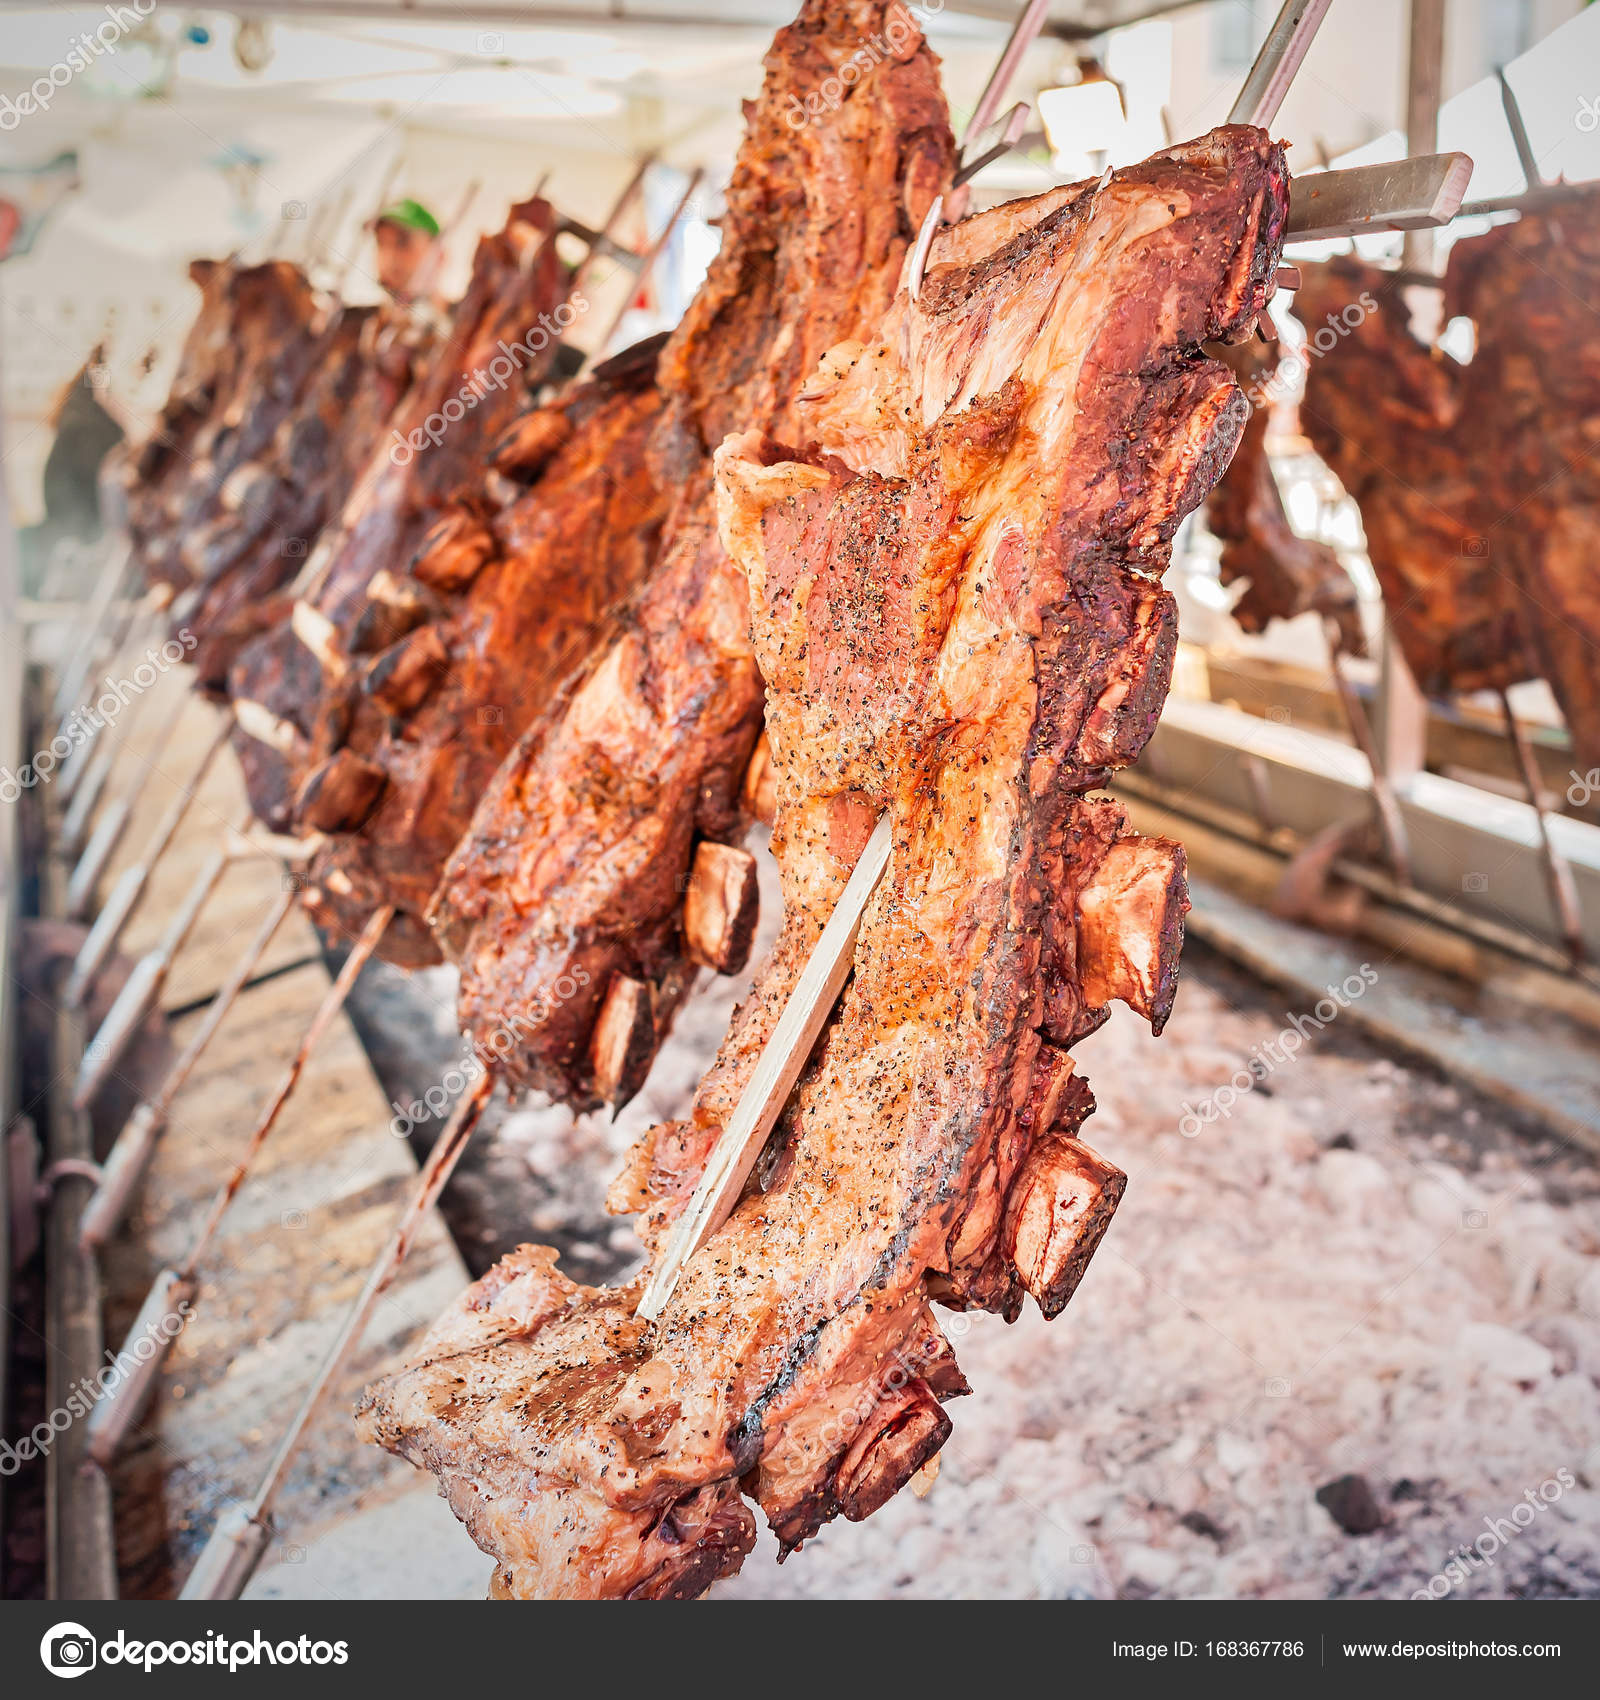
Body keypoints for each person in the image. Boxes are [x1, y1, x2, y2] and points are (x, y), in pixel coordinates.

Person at [371, 198, 440, 305]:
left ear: (440, 256)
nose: (388, 258)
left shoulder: (466, 317)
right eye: (381, 243)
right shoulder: (356, 318)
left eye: (402, 243)